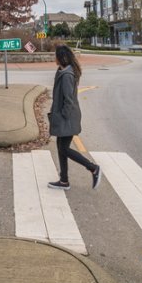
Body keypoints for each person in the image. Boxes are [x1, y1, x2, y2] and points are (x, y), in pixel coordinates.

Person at [48, 44, 101, 191]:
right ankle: (64, 180)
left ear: (61, 58)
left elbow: (68, 100)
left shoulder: (66, 75)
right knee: (61, 148)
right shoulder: (64, 71)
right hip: (66, 117)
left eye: (56, 55)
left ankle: (93, 168)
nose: (54, 58)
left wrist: (62, 116)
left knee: (64, 149)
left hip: (67, 117)